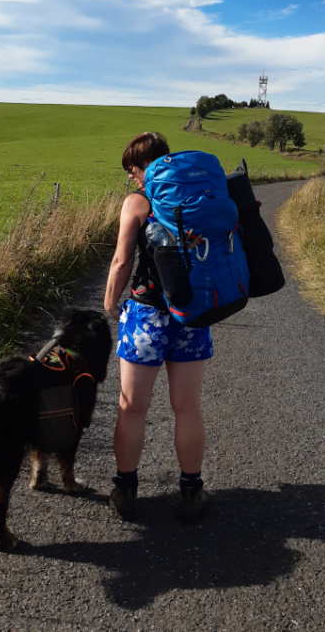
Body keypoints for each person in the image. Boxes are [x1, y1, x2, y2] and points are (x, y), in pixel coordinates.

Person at [104, 131, 213, 522]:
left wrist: (111, 302)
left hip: (147, 315)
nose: (132, 179)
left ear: (140, 167)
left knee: (132, 408)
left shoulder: (137, 201)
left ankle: (126, 490)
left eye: (132, 171)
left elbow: (121, 261)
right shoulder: (197, 195)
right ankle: (191, 492)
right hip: (192, 314)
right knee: (187, 408)